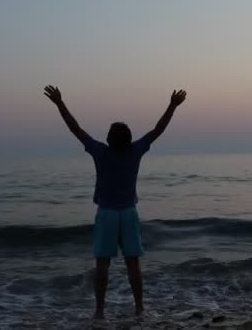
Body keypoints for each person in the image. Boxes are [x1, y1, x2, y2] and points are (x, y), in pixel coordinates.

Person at [43, 85, 187, 319]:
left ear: (109, 139)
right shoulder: (135, 151)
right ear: (129, 139)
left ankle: (100, 310)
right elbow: (157, 130)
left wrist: (59, 102)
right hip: (128, 214)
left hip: (107, 214)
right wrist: (172, 105)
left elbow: (75, 129)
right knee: (133, 264)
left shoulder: (101, 152)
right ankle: (139, 307)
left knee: (102, 265)